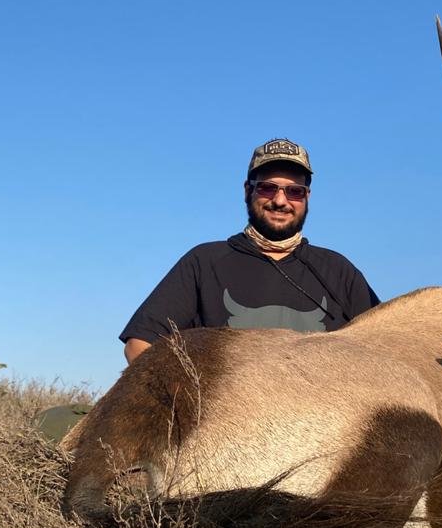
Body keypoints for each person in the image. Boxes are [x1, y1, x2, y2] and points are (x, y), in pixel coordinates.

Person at [119, 138, 379, 363]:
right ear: (247, 191)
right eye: (267, 188)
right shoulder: (204, 262)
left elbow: (384, 349)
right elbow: (140, 345)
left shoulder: (339, 270)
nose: (280, 201)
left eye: (294, 192)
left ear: (307, 197)